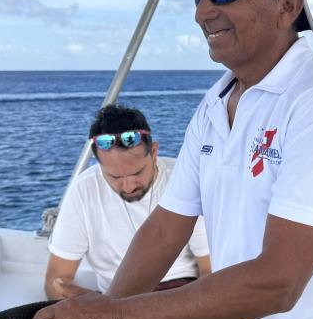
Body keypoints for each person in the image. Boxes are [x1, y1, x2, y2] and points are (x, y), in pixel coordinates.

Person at [30, 0, 313, 319]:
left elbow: (279, 282)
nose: (202, 12)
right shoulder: (214, 104)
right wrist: (109, 313)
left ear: (288, 6)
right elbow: (165, 229)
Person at [45, 104, 210, 299]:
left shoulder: (183, 181)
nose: (128, 186)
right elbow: (56, 281)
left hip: (180, 295)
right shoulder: (84, 190)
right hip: (113, 300)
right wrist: (102, 309)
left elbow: (210, 272)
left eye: (137, 173)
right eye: (114, 177)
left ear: (154, 152)